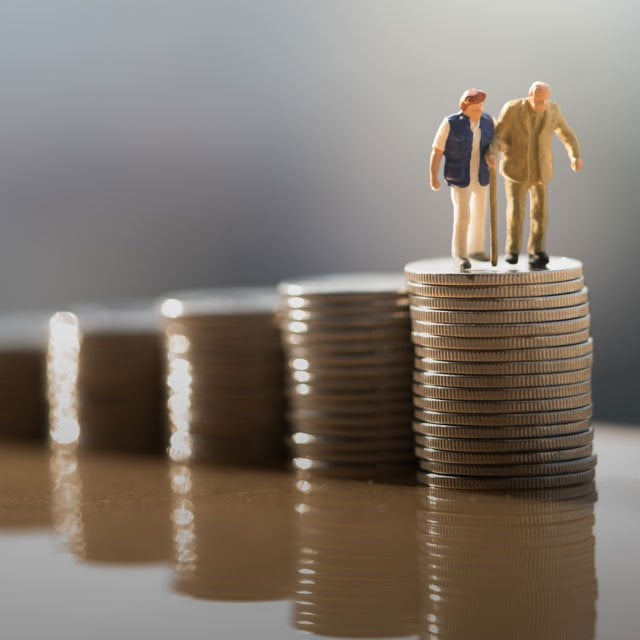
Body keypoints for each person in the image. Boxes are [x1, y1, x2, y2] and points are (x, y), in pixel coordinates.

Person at [487, 81, 583, 269]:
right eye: (539, 101)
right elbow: (498, 135)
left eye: (546, 100)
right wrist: (493, 151)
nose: (543, 105)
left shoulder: (553, 111)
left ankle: (536, 250)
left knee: (540, 213)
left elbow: (566, 133)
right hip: (516, 170)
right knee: (516, 212)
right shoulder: (512, 109)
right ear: (530, 97)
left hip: (540, 171)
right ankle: (512, 250)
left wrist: (575, 155)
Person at [430, 88, 494, 271]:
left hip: (481, 176)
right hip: (460, 177)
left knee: (480, 214)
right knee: (463, 216)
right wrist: (433, 177)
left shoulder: (488, 121)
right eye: (475, 109)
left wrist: (496, 152)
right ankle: (460, 254)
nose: (479, 112)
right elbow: (437, 151)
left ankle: (476, 249)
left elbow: (497, 142)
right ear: (465, 107)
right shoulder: (450, 123)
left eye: (481, 108)